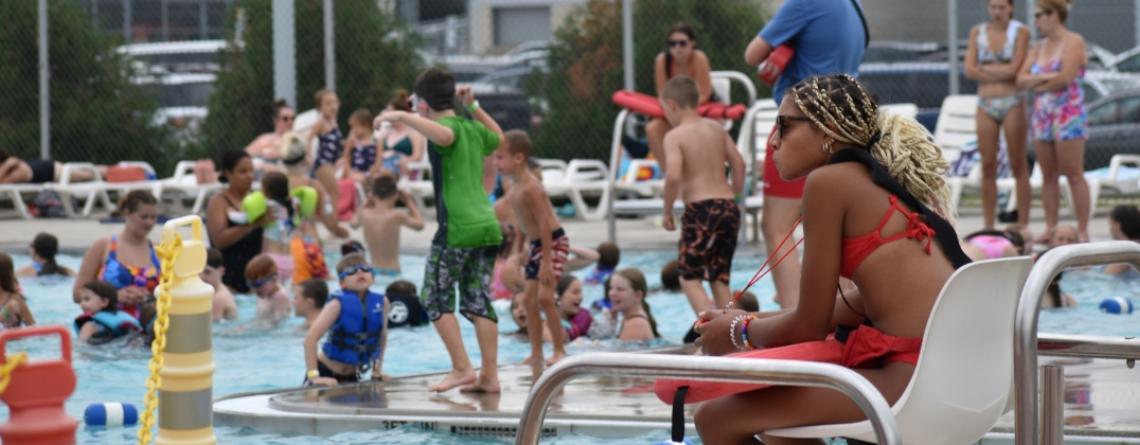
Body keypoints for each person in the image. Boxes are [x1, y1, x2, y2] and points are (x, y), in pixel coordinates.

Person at [684, 74, 972, 443]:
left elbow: (808, 326)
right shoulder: (883, 189)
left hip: (908, 386)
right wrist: (742, 320)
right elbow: (848, 307)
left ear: (828, 131)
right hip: (955, 379)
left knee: (716, 417)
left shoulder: (830, 182)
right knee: (782, 431)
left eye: (784, 126)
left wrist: (738, 332)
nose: (773, 141)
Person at [375, 68, 504, 393]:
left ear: (423, 103)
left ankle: (462, 368)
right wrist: (473, 107)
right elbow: (499, 138)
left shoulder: (448, 129)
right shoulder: (471, 126)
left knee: (433, 297)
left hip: (458, 228)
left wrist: (398, 115)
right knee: (478, 301)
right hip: (487, 227)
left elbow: (444, 136)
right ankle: (490, 377)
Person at [743, 0, 867, 309]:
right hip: (844, 127)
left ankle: (792, 310)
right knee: (836, 228)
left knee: (777, 226)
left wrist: (784, 44)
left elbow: (752, 54)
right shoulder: (854, 7)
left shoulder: (806, 3)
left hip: (802, 125)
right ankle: (844, 315)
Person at [660, 75, 747, 315]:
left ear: (672, 104)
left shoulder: (674, 136)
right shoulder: (716, 128)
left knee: (689, 277)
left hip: (700, 210)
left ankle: (708, 334)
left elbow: (674, 176)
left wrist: (667, 211)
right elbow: (739, 165)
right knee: (719, 278)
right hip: (728, 207)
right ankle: (730, 335)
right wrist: (736, 199)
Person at [494, 130, 569, 366]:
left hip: (553, 243)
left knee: (546, 299)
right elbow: (526, 225)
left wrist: (546, 261)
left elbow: (545, 223)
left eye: (500, 157)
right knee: (528, 301)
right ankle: (536, 353)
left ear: (518, 158)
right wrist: (523, 249)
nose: (496, 163)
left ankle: (559, 351)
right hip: (537, 244)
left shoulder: (531, 187)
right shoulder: (514, 188)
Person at [1017, 0, 1090, 242]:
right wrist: (1048, 77)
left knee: (1073, 173)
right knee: (1048, 175)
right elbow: (1021, 79)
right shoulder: (1038, 48)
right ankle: (1050, 227)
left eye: (1040, 15)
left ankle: (1081, 229)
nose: (1036, 20)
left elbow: (1065, 78)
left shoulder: (1074, 41)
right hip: (1043, 115)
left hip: (1068, 114)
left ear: (1054, 14)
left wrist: (1038, 80)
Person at [965, 0, 1032, 231]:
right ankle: (988, 224)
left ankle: (1023, 223)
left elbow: (1015, 70)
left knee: (1017, 162)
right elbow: (969, 69)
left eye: (1001, 7)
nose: (997, 12)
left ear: (1011, 8)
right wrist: (1000, 71)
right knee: (988, 164)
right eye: (993, 7)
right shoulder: (978, 32)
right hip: (986, 103)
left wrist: (985, 69)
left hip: (1012, 101)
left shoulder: (1020, 32)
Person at [303, 253, 390, 386]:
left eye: (365, 269)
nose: (360, 272)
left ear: (372, 277)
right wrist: (314, 377)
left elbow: (381, 338)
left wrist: (377, 370)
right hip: (325, 371)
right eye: (351, 271)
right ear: (342, 283)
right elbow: (310, 339)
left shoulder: (382, 303)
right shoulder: (337, 304)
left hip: (351, 376)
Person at [73, 191, 161, 320]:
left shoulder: (158, 250)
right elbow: (77, 293)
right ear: (127, 213)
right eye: (144, 217)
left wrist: (149, 297)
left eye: (153, 217)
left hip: (146, 325)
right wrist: (113, 296)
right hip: (107, 323)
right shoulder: (103, 247)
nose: (149, 222)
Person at [279, 134, 350, 286]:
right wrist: (338, 230)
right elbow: (329, 218)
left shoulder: (277, 183)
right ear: (305, 159)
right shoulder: (313, 185)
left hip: (284, 243)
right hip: (309, 243)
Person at [645, 22, 716, 170]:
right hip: (673, 112)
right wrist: (675, 113)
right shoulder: (662, 61)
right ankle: (671, 174)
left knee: (693, 128)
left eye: (682, 43)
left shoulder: (699, 58)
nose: (677, 48)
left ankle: (699, 174)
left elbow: (704, 94)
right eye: (672, 43)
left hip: (698, 110)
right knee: (652, 128)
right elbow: (662, 95)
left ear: (692, 44)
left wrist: (683, 112)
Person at [206, 150, 267, 294]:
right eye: (243, 171)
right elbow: (219, 240)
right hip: (228, 282)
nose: (249, 176)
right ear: (228, 174)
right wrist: (253, 224)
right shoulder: (219, 202)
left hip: (256, 280)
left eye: (252, 171)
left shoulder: (257, 200)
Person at [353, 175, 425, 276]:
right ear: (396, 195)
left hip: (373, 272)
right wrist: (409, 202)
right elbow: (420, 226)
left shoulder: (364, 214)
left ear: (373, 195)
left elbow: (353, 224)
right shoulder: (397, 215)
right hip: (393, 272)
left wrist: (367, 202)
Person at [595, 268, 660, 341]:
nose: (612, 293)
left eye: (620, 289)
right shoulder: (633, 320)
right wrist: (612, 322)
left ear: (637, 296)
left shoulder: (635, 325)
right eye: (611, 288)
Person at [375, 90, 427, 179]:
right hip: (384, 171)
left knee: (384, 176)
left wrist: (404, 160)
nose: (386, 115)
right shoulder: (385, 134)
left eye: (389, 112)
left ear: (398, 114)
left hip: (403, 171)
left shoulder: (414, 133)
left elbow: (417, 156)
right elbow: (378, 161)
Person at [307, 89, 344, 211]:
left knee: (327, 193)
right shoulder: (321, 122)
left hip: (331, 162)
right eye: (328, 104)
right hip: (323, 162)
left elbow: (336, 143)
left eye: (334, 102)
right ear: (320, 107)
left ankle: (329, 218)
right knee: (334, 192)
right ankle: (333, 221)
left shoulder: (333, 122)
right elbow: (309, 138)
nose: (332, 106)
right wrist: (308, 156)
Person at [338, 108, 378, 220]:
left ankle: (362, 208)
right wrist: (350, 173)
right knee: (350, 180)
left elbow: (378, 163)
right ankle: (346, 209)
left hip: (369, 174)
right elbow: (346, 159)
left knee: (367, 179)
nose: (352, 130)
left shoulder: (376, 141)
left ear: (365, 125)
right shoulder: (353, 143)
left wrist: (369, 173)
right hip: (354, 173)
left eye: (354, 127)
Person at [74, 281, 141, 344]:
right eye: (81, 300)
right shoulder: (125, 319)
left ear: (104, 302)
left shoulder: (89, 326)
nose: (82, 304)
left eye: (87, 299)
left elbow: (81, 345)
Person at [244, 99, 295, 174]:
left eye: (293, 118)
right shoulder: (265, 139)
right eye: (285, 119)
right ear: (275, 120)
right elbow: (243, 156)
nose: (290, 122)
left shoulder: (298, 139)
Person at [0, 149, 96, 184]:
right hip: (48, 168)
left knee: (88, 175)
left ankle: (105, 173)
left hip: (54, 171)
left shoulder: (15, 170)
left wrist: (6, 166)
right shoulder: (9, 167)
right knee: (84, 171)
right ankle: (104, 171)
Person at [245, 254, 291, 325]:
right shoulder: (263, 293)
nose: (255, 289)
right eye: (251, 284)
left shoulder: (280, 297)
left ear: (274, 279)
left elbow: (278, 325)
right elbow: (259, 317)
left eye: (258, 284)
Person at [202, 248, 238, 322]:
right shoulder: (220, 289)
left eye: (207, 272)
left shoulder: (218, 299)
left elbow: (210, 329)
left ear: (221, 271)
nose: (202, 277)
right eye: (199, 272)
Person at [0, 253, 34, 329]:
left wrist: (6, 312)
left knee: (13, 305)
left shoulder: (15, 300)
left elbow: (32, 326)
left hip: (13, 339)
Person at [1103, 205, 1139, 277]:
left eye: (1110, 224)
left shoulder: (1126, 252)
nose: (1110, 229)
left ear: (1117, 225)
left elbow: (1108, 275)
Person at [556, 275, 593, 342]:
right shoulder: (546, 323)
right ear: (559, 296)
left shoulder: (584, 318)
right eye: (575, 292)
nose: (580, 297)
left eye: (580, 293)